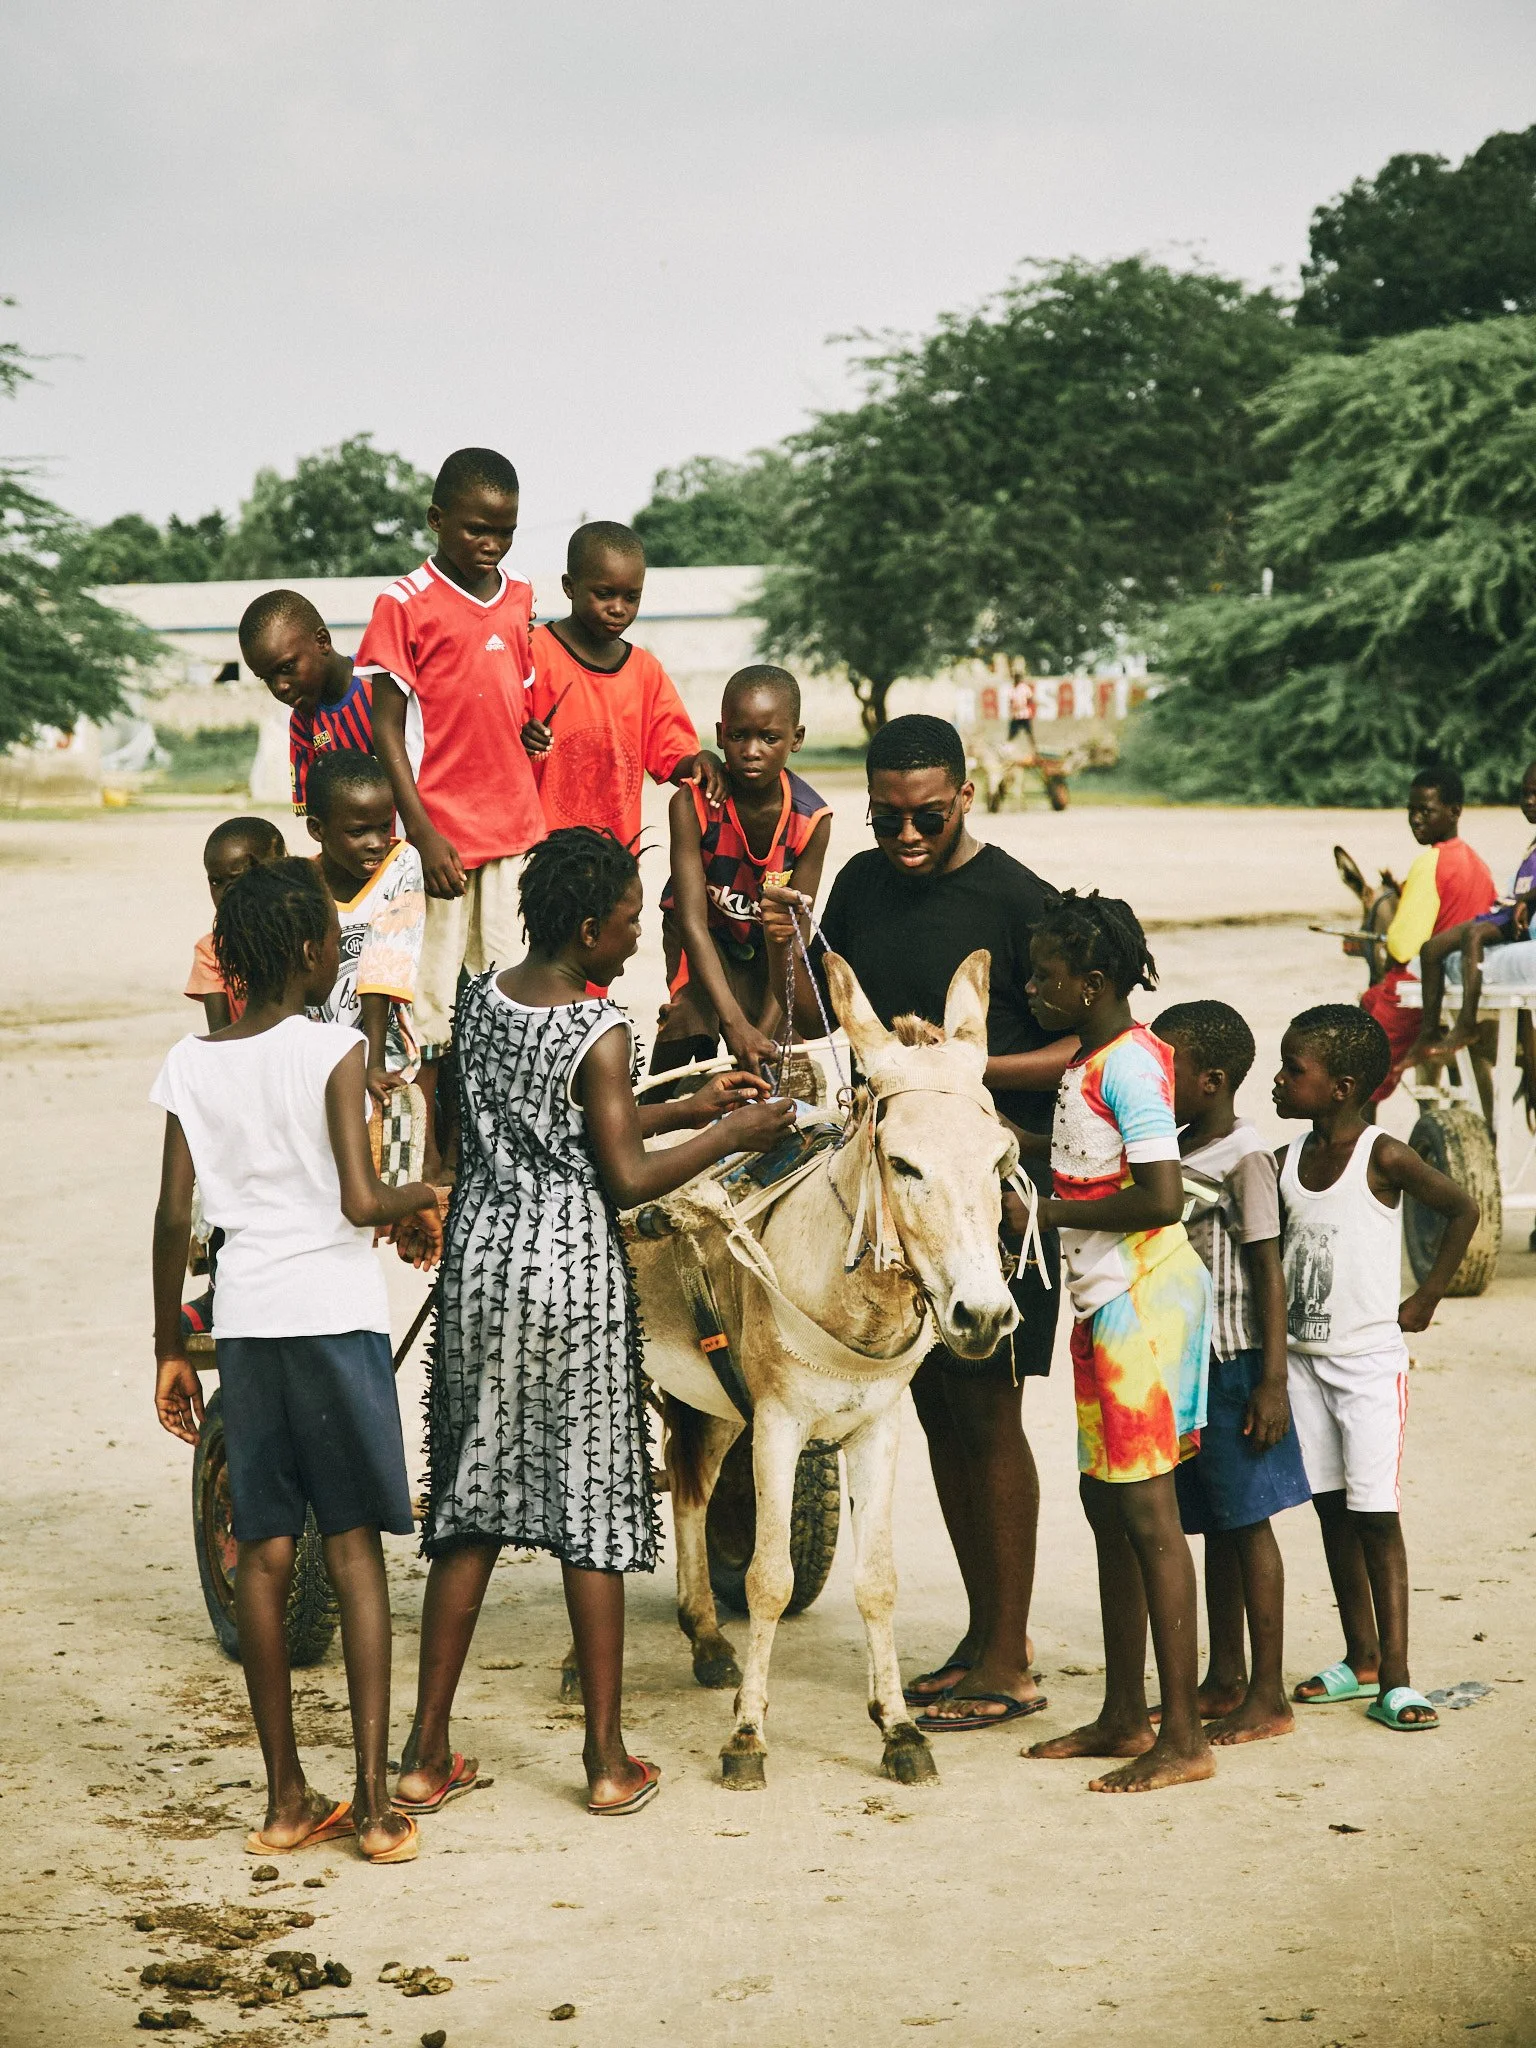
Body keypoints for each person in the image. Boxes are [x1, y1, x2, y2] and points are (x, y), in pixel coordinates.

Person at [396, 828, 794, 1818]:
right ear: (587, 926)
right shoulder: (599, 1025)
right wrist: (730, 1130)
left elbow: (562, 1118)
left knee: (473, 1498)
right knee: (592, 1502)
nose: (634, 933)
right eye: (627, 920)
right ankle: (608, 1759)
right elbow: (618, 1171)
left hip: (483, 1265)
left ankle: (423, 1752)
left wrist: (688, 1099)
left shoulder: (484, 996)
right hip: (569, 1270)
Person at [762, 713, 1071, 1731]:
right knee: (931, 1409)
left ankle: (1013, 1655)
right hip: (894, 1205)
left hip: (989, 1197)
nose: (904, 833)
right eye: (885, 813)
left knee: (986, 1413)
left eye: (926, 814)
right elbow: (833, 1017)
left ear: (967, 794)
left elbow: (1085, 1037)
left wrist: (959, 1068)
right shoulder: (857, 884)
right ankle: (982, 1643)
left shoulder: (1021, 898)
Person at [149, 858, 445, 1863]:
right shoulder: (334, 1049)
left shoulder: (190, 1062)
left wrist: (166, 1349)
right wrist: (436, 1180)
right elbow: (364, 1201)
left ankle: (284, 1798)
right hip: (332, 1316)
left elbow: (171, 1215)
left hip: (247, 1323)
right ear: (318, 950)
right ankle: (371, 1807)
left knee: (268, 1556)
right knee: (355, 1551)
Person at [1016, 892, 1215, 1793]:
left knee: (1149, 1518)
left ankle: (1184, 1739)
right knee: (1108, 1508)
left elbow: (1161, 1196)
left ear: (1091, 983)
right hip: (1105, 1305)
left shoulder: (1129, 1067)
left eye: (1043, 976)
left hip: (1143, 1300)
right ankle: (1126, 1715)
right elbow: (1078, 1158)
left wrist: (1044, 1210)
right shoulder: (1091, 1058)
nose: (1031, 987)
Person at [1274, 1004, 1478, 1732]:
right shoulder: (1286, 1161)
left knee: (1376, 1515)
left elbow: (1461, 1208)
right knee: (1332, 1510)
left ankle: (1396, 1676)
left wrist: (1426, 1295)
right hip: (1304, 1366)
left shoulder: (1382, 1156)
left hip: (1366, 1366)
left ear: (1342, 1086)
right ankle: (1359, 1656)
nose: (1277, 1079)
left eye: (1293, 1070)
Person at [356, 446, 548, 1171]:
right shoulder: (404, 602)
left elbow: (514, 695)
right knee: (426, 1004)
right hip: (439, 837)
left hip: (510, 828)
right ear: (437, 521)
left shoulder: (521, 593)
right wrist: (426, 834)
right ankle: (416, 1161)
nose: (491, 545)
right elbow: (384, 729)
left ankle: (492, 1152)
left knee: (501, 998)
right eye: (475, 530)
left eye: (505, 531)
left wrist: (532, 730)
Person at [1153, 999, 1311, 1745]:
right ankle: (1225, 1677)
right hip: (1189, 1366)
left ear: (1211, 1079)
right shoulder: (1182, 1147)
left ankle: (1268, 1695)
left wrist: (1272, 1381)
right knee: (1215, 1521)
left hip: (1235, 1363)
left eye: (1168, 1067)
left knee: (1247, 1526)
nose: (1155, 1080)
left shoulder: (1246, 1156)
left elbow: (1267, 1267)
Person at [654, 664, 832, 1077]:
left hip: (767, 948)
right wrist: (733, 1024)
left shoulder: (812, 820)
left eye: (769, 738)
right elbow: (692, 922)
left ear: (796, 739)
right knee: (688, 1022)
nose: (752, 750)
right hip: (701, 936)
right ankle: (648, 1117)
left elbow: (794, 942)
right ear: (720, 735)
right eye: (738, 736)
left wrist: (763, 1034)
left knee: (783, 1056)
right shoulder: (692, 804)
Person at [522, 521, 725, 848]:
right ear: (569, 586)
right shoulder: (532, 652)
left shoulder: (645, 671)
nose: (618, 608)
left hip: (615, 858)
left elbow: (674, 756)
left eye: (631, 597)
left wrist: (701, 760)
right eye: (604, 594)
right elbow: (500, 737)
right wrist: (523, 735)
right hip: (536, 856)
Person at [1360, 764, 1495, 1105]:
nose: (1416, 819)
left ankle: (1355, 1141)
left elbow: (1404, 945)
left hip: (1424, 983)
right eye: (1412, 811)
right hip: (1468, 975)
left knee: (1359, 1071)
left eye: (1426, 811)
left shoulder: (1428, 862)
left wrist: (1390, 947)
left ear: (1454, 813)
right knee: (1368, 999)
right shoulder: (1477, 863)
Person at [304, 751, 426, 1109]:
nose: (375, 842)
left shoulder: (401, 864)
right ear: (317, 830)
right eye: (358, 832)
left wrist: (371, 1064)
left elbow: (382, 963)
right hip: (316, 1057)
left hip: (382, 1055)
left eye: (383, 827)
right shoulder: (303, 882)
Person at [1413, 759, 1536, 1062]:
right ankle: (1428, 1032)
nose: (1529, 801)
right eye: (1524, 794)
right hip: (1506, 910)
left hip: (1519, 916)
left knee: (1475, 936)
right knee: (1431, 949)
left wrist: (1527, 900)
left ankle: (1466, 1023)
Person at [240, 589, 375, 816]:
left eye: (286, 668)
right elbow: (320, 817)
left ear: (322, 642)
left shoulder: (379, 681)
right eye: (267, 679)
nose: (280, 687)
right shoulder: (303, 725)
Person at [184, 816, 287, 1032]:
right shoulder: (212, 951)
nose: (226, 894)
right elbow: (221, 1038)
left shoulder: (303, 936)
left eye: (239, 879)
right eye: (216, 882)